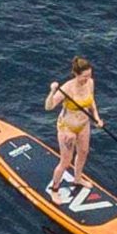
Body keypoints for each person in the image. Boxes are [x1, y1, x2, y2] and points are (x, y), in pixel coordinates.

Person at [44, 56, 103, 203]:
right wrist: (52, 92)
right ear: (76, 74)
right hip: (67, 128)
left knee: (83, 152)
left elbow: (91, 102)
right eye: (84, 76)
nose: (87, 79)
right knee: (66, 161)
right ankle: (55, 190)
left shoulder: (90, 83)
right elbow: (48, 107)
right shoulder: (67, 89)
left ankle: (77, 179)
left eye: (89, 75)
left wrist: (96, 117)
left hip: (83, 125)